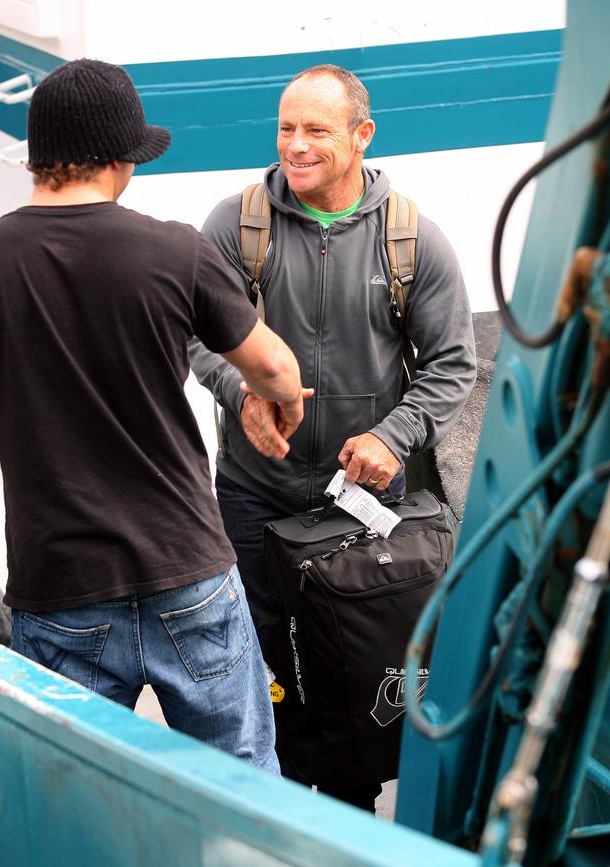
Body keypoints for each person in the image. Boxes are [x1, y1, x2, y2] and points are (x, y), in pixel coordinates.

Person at [0, 59, 308, 774]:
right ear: (118, 157)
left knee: (68, 797)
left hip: (61, 583)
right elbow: (278, 368)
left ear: (40, 157)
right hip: (186, 570)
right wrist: (277, 403)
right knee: (242, 789)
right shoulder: (173, 248)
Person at [188, 64, 477, 806]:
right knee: (258, 655)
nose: (296, 144)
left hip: (363, 502)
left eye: (316, 129)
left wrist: (394, 434)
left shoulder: (412, 238)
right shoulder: (236, 225)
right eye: (286, 127)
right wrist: (240, 390)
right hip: (257, 495)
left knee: (353, 654)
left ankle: (348, 803)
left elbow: (452, 364)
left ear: (361, 134)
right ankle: (276, 801)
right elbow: (193, 337)